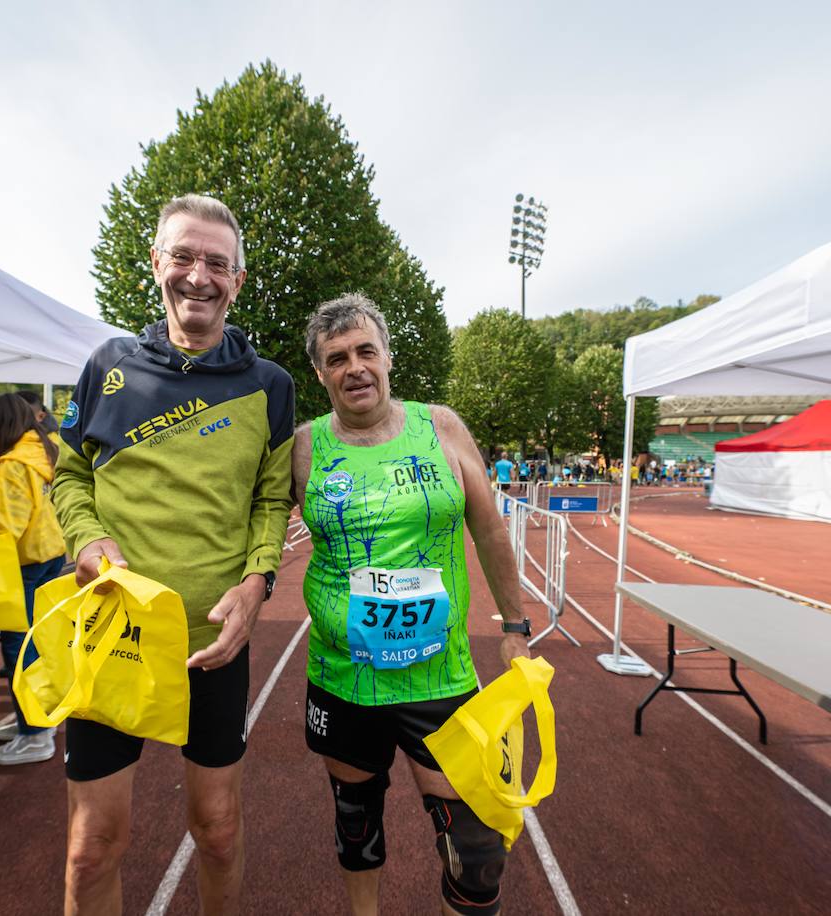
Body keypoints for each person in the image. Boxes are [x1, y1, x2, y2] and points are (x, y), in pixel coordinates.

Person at [51, 193, 294, 915]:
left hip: (211, 645)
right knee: (93, 843)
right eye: (183, 256)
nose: (199, 276)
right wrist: (85, 536)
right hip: (112, 636)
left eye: (217, 263)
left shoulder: (270, 384)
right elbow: (68, 476)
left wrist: (257, 584)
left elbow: (270, 501)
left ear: (238, 280)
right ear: (156, 263)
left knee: (217, 832)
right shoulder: (107, 365)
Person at [292, 294, 531, 916]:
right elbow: (258, 532)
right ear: (321, 373)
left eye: (366, 351)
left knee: (477, 849)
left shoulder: (440, 427)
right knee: (356, 829)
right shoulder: (302, 448)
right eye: (337, 358)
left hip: (439, 674)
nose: (355, 368)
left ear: (388, 356)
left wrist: (516, 626)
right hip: (344, 679)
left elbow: (490, 530)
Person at [0, 392, 67, 766]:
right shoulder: (42, 449)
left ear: (6, 423)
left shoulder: (15, 463)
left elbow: (7, 525)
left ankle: (34, 732)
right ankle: (37, 721)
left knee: (20, 647)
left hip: (25, 560)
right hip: (50, 552)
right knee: (39, 641)